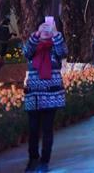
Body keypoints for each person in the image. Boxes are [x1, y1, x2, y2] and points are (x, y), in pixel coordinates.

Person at [23, 19, 68, 172]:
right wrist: (36, 34)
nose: (45, 30)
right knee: (33, 130)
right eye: (43, 28)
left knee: (47, 130)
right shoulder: (33, 47)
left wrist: (55, 32)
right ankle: (33, 159)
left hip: (51, 97)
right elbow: (26, 52)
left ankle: (44, 161)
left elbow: (63, 51)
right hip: (34, 97)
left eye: (48, 28)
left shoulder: (54, 48)